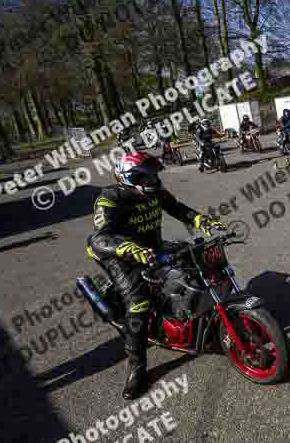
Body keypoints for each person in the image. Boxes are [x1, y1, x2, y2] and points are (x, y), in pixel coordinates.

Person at [86, 152, 225, 400]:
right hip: (120, 254)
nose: (152, 180)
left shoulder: (155, 191)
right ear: (129, 177)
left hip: (152, 247)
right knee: (138, 304)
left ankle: (199, 321)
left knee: (195, 266)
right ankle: (137, 368)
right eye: (145, 176)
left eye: (153, 175)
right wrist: (126, 248)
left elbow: (177, 208)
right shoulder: (110, 199)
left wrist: (200, 219)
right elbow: (99, 238)